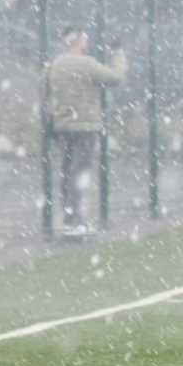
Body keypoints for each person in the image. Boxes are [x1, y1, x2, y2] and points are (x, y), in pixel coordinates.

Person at [45, 26, 127, 237]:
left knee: (67, 171)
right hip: (86, 126)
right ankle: (74, 220)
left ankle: (69, 215)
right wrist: (118, 53)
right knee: (78, 172)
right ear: (78, 41)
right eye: (84, 38)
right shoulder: (87, 64)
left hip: (63, 127)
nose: (87, 42)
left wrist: (51, 121)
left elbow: (43, 92)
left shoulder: (54, 65)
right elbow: (115, 77)